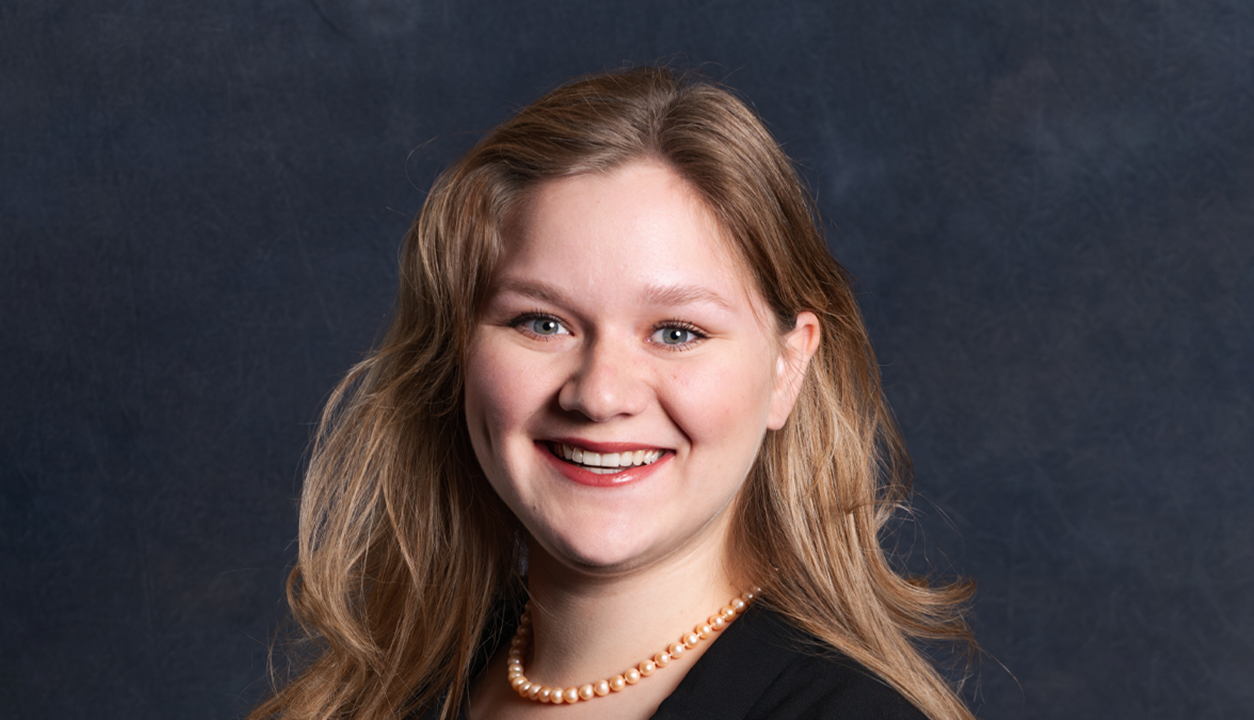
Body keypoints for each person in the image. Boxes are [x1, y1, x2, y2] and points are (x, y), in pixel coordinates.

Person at [250, 67, 977, 720]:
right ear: (458, 353)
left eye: (677, 332)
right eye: (543, 322)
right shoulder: (371, 699)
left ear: (788, 369)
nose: (599, 395)